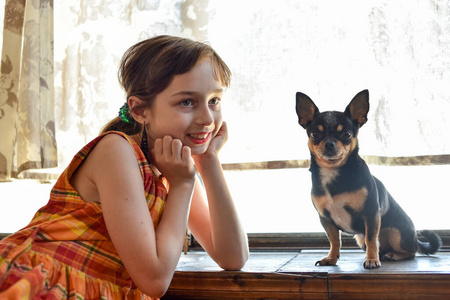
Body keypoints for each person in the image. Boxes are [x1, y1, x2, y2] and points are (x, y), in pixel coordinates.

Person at [0, 35, 249, 299]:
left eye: (214, 100)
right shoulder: (116, 151)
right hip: (40, 284)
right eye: (186, 102)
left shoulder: (173, 172)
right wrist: (184, 183)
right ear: (140, 110)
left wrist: (208, 162)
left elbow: (233, 257)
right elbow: (154, 280)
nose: (207, 118)